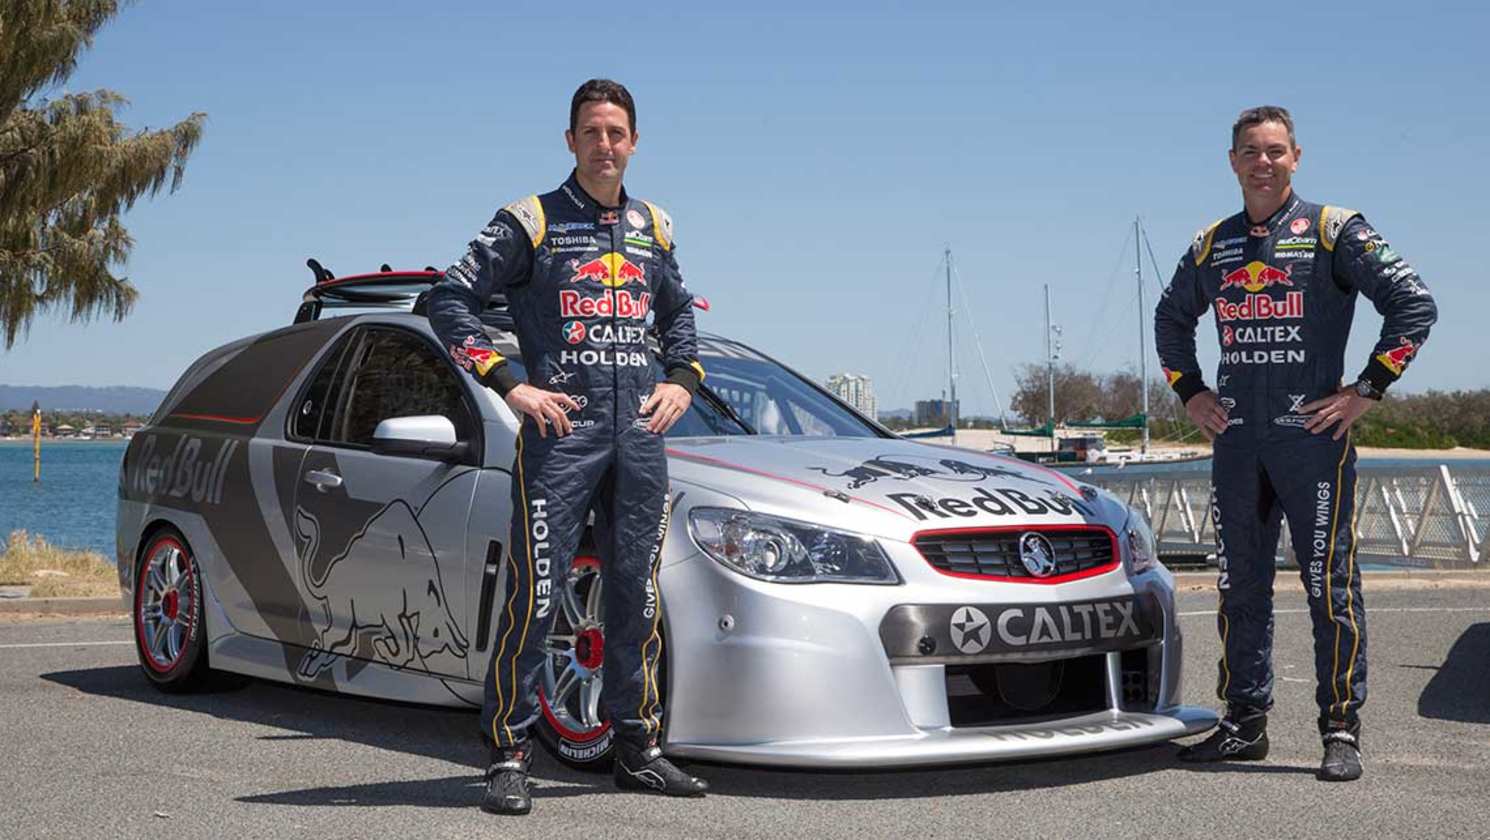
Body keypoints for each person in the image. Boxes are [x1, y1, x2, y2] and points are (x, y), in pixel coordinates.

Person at [427, 78, 710, 815]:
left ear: (635, 142)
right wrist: (508, 382)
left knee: (635, 596)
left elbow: (679, 315)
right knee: (539, 594)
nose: (605, 144)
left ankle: (636, 748)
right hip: (561, 437)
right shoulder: (531, 221)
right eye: (592, 132)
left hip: (640, 438)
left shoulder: (656, 226)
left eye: (617, 133)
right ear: (571, 141)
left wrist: (681, 379)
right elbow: (447, 300)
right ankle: (508, 755)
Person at [1154, 105, 1437, 782]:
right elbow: (1170, 318)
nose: (1263, 161)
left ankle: (1341, 729)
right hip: (1237, 445)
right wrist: (1189, 390)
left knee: (1327, 587)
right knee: (1238, 587)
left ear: (1296, 157)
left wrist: (1367, 389)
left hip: (1312, 442)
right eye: (1251, 151)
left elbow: (1414, 304)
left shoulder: (1337, 230)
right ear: (1233, 161)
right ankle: (1243, 723)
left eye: (1276, 150)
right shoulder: (1211, 244)